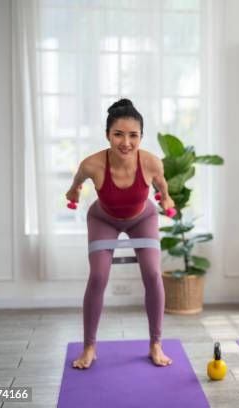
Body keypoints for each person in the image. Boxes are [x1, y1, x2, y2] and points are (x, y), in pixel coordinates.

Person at [65, 99, 175, 369]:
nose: (126, 142)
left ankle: (155, 345)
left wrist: (167, 200)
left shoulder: (150, 162)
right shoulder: (92, 164)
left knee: (151, 273)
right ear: (107, 135)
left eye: (133, 135)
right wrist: (73, 192)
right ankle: (89, 347)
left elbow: (161, 186)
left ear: (141, 137)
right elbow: (77, 181)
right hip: (104, 218)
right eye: (118, 134)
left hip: (143, 218)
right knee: (99, 276)